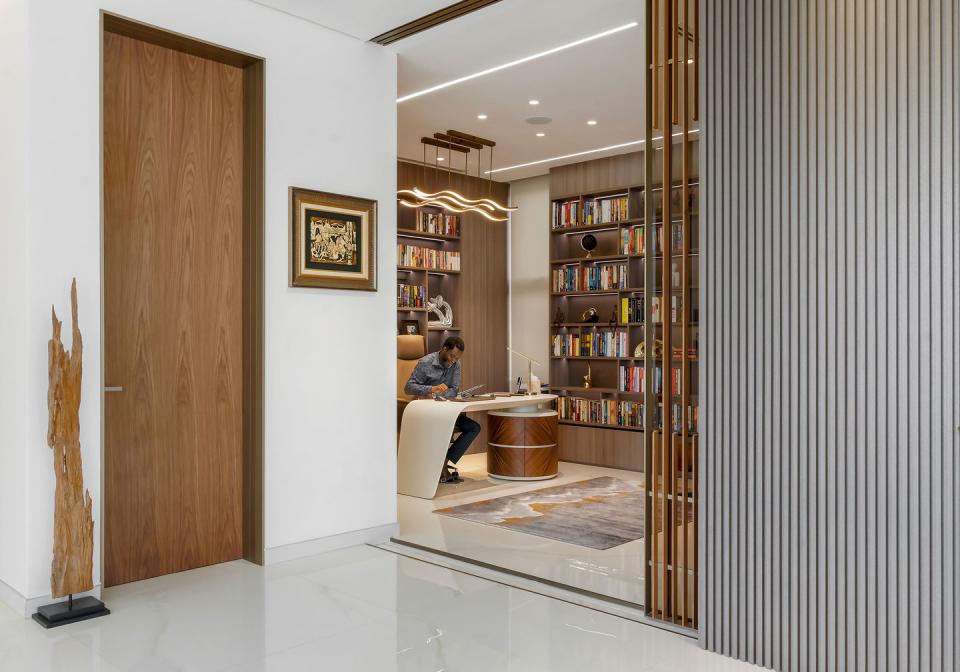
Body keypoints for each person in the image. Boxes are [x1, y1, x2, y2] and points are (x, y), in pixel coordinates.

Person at [404, 336, 480, 484]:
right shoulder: (425, 363)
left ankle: (443, 462)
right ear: (444, 349)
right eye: (452, 356)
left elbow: (454, 389)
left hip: (446, 409)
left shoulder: (456, 364)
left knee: (474, 428)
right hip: (426, 410)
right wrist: (432, 389)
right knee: (446, 426)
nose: (453, 360)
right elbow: (408, 388)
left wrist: (442, 393)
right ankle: (440, 468)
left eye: (457, 358)